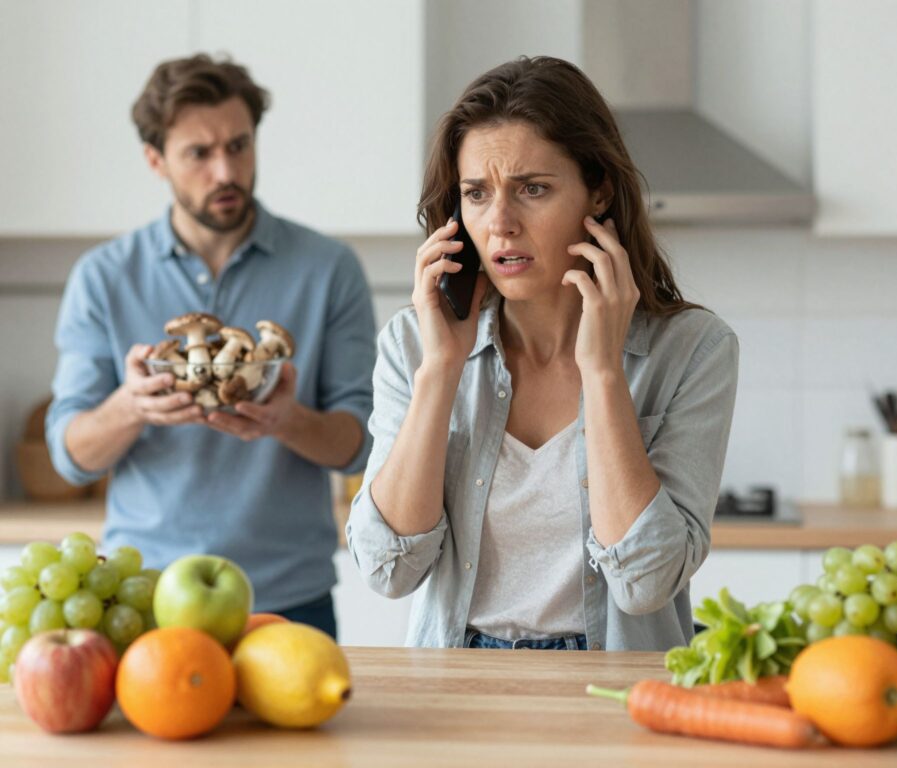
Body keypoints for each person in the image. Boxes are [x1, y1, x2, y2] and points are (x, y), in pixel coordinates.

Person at [346, 56, 739, 651]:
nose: (500, 223)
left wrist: (603, 372)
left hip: (617, 692)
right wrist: (441, 370)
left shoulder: (693, 350)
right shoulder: (413, 344)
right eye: (476, 194)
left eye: (532, 189)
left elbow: (647, 583)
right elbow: (388, 570)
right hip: (455, 687)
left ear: (599, 191)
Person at [45, 54, 376, 638]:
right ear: (156, 161)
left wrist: (286, 420)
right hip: (143, 595)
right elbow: (70, 456)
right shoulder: (102, 277)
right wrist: (131, 405)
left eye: (239, 145)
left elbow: (360, 445)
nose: (226, 170)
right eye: (199, 153)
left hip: (288, 600)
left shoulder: (329, 269)